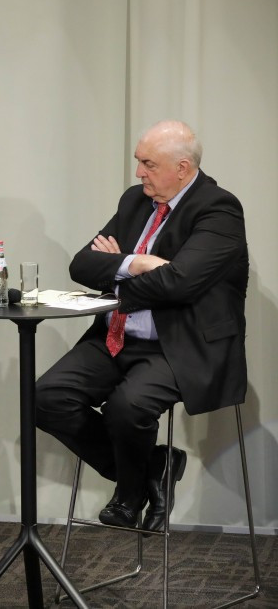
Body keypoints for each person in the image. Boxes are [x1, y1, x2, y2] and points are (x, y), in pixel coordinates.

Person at [36, 120, 248, 533]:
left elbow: (181, 282)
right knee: (46, 397)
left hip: (178, 345)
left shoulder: (218, 209)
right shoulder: (135, 201)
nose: (139, 173)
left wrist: (115, 271)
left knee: (126, 407)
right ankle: (153, 467)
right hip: (117, 337)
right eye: (139, 162)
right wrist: (139, 262)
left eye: (148, 164)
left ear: (182, 168)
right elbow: (81, 264)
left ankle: (130, 495)